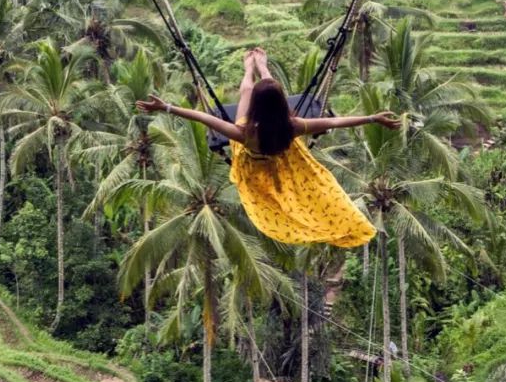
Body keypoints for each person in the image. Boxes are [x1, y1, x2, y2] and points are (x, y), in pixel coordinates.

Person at [139, 50, 399, 247]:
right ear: (281, 106)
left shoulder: (245, 132)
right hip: (282, 155)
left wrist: (166, 107)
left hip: (253, 163)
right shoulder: (293, 125)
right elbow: (335, 121)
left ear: (257, 108)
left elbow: (204, 118)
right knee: (263, 92)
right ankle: (261, 66)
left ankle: (249, 68)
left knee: (245, 92)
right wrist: (373, 118)